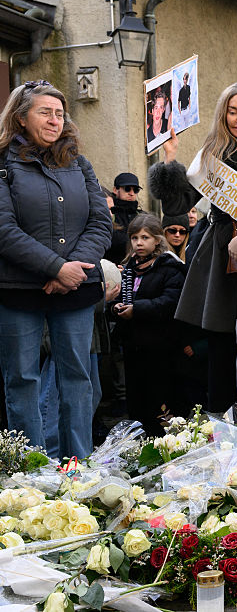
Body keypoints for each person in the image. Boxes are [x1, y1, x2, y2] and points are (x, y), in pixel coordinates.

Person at [0, 80, 112, 459]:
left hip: (77, 286)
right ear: (20, 118)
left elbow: (100, 222)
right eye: (44, 112)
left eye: (60, 113)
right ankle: (30, 472)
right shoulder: (3, 163)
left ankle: (76, 467)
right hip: (18, 288)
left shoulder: (79, 163)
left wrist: (71, 271)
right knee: (22, 381)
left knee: (77, 379)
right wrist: (54, 268)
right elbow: (3, 229)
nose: (54, 120)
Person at [149, 84, 237, 412]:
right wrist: (170, 160)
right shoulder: (212, 153)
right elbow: (178, 204)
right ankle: (223, 421)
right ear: (223, 114)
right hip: (220, 255)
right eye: (233, 111)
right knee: (221, 345)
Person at [111, 214, 185, 434]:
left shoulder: (169, 267)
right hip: (134, 346)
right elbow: (122, 296)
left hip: (160, 348)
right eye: (134, 238)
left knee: (160, 401)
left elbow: (170, 302)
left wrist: (138, 309)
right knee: (137, 400)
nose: (139, 243)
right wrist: (116, 306)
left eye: (145, 237)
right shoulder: (130, 268)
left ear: (157, 240)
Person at [105, 172, 147, 263]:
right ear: (115, 190)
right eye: (127, 189)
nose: (131, 193)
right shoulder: (109, 213)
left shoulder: (143, 216)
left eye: (135, 190)